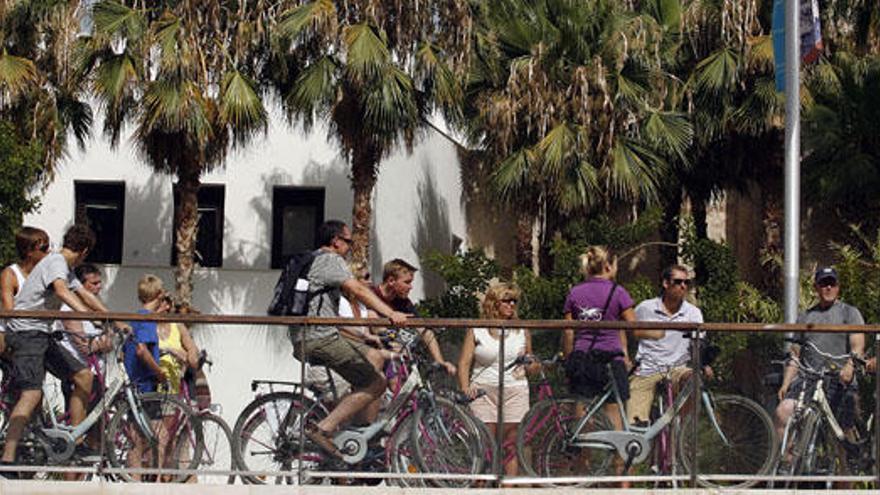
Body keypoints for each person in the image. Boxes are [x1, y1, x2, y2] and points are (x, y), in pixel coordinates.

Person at [0, 224, 116, 472]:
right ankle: (7, 458)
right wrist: (88, 316)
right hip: (26, 333)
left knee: (84, 375)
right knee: (31, 394)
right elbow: (62, 292)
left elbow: (84, 293)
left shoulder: (64, 266)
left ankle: (76, 439)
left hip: (43, 332)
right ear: (84, 251)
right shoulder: (56, 263)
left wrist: (114, 318)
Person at [291, 220, 408, 458]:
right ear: (335, 241)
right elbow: (360, 291)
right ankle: (323, 428)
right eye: (348, 241)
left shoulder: (314, 260)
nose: (351, 247)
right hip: (319, 337)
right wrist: (390, 314)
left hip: (316, 334)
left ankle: (358, 428)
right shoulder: (329, 260)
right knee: (377, 383)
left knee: (374, 356)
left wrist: (372, 336)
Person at [562, 246, 662, 431]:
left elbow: (568, 331)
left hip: (583, 356)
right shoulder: (618, 292)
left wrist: (569, 359)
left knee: (582, 407)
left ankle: (582, 455)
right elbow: (632, 327)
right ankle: (618, 457)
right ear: (608, 266)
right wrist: (658, 333)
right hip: (611, 358)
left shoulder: (575, 292)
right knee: (614, 410)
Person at [775, 266, 865, 444]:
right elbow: (795, 354)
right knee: (783, 411)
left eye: (832, 283)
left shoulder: (849, 313)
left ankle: (848, 469)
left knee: (843, 428)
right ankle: (788, 465)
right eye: (823, 284)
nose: (828, 288)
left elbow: (858, 345)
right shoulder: (805, 317)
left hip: (839, 381)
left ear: (838, 287)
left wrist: (850, 366)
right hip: (808, 381)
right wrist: (786, 383)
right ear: (816, 287)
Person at [458, 282, 536, 478]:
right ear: (494, 303)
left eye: (514, 301)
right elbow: (464, 362)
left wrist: (532, 365)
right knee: (484, 444)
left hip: (515, 389)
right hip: (483, 390)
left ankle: (509, 486)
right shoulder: (477, 329)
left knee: (511, 444)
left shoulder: (522, 329)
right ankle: (482, 484)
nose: (511, 305)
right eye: (506, 301)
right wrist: (465, 387)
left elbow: (532, 361)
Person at [627, 265, 705, 426]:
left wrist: (705, 365)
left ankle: (684, 432)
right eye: (678, 282)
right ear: (665, 283)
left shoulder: (693, 313)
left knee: (693, 380)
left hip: (678, 368)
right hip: (648, 368)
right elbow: (630, 333)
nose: (683, 286)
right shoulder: (645, 308)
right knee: (633, 427)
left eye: (687, 282)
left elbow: (699, 344)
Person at [372, 258, 456, 375]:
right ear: (391, 280)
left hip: (395, 358)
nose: (410, 287)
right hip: (371, 357)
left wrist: (440, 361)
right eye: (407, 282)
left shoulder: (404, 303)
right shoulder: (371, 295)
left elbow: (425, 331)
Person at [0, 227, 51, 355]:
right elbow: (9, 312)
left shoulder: (47, 273)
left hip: (42, 332)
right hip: (18, 334)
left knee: (82, 374)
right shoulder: (11, 274)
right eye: (44, 249)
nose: (49, 252)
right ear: (29, 251)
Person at [156, 294, 199, 396]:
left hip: (175, 385)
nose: (166, 307)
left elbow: (192, 349)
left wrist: (189, 357)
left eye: (161, 301)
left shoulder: (177, 325)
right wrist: (171, 350)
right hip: (154, 384)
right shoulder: (148, 326)